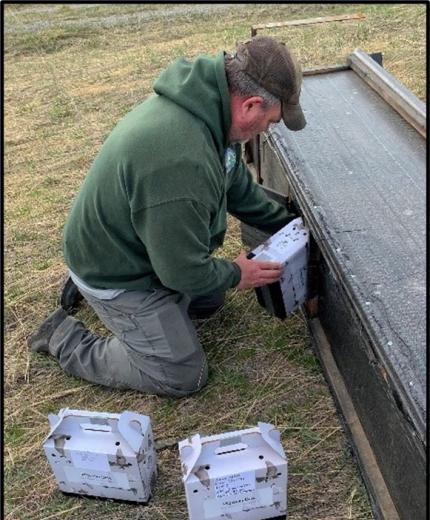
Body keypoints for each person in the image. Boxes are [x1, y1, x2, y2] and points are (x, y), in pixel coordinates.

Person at [28, 35, 306, 397]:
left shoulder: (211, 112)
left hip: (139, 248)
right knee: (180, 373)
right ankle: (65, 337)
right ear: (251, 105)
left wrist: (293, 225)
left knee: (210, 298)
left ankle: (143, 311)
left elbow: (237, 187)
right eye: (269, 122)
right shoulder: (180, 161)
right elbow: (182, 272)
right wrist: (237, 273)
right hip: (117, 273)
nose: (266, 130)